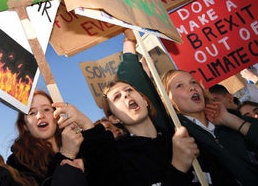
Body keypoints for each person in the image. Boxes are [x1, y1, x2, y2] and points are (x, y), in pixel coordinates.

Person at [53, 80, 201, 186]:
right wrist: (178, 167)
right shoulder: (120, 157)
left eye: (129, 90)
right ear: (114, 118)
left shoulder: (180, 137)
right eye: (117, 97)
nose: (125, 95)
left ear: (145, 101)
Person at [161, 69, 258, 185]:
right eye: (179, 85)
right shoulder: (178, 140)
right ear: (167, 100)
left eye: (193, 82)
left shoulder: (229, 115)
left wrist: (233, 121)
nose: (192, 87)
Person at [7, 90, 87, 186]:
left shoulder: (81, 144)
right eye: (32, 113)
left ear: (57, 115)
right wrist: (66, 155)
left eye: (46, 109)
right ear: (25, 125)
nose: (40, 116)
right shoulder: (17, 163)